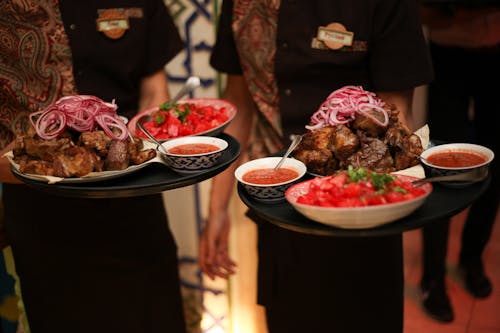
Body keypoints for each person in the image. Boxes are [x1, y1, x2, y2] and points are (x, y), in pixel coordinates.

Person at [199, 0, 433, 332]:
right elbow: (239, 99)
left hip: (362, 212)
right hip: (279, 211)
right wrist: (217, 208)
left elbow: (396, 112)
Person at [0, 1, 187, 332]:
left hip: (134, 207)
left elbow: (154, 91)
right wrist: (30, 164)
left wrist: (150, 140)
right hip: (43, 220)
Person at [417, 2, 500, 323]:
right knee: (440, 167)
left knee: (496, 167)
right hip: (447, 51)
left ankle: (471, 258)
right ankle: (432, 278)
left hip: (496, 53)